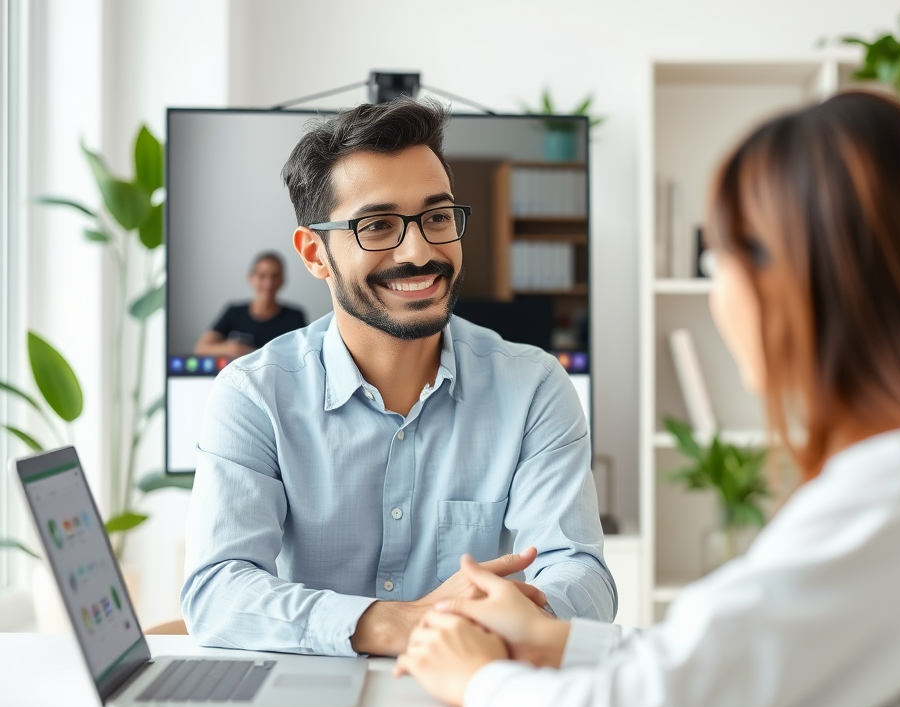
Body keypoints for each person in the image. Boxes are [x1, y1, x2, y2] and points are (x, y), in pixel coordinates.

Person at [395, 91, 900, 707]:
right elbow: (720, 666)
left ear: (804, 275)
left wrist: (476, 678)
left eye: (719, 258)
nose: (718, 294)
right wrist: (555, 640)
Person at [180, 97, 616, 658]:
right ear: (315, 252)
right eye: (378, 226)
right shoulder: (254, 395)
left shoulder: (533, 387)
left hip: (474, 692)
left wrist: (515, 614)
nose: (420, 251)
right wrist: (395, 624)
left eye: (436, 217)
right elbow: (216, 590)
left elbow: (582, 573)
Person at [194, 251, 307, 358]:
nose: (268, 283)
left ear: (282, 280)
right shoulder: (234, 313)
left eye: (275, 276)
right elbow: (200, 348)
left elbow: (305, 354)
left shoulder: (294, 317)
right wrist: (227, 348)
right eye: (262, 276)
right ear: (251, 278)